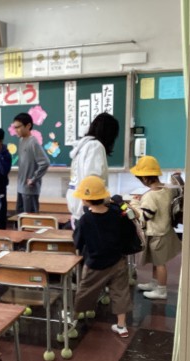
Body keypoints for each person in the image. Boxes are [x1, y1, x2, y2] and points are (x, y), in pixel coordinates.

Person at [72, 176, 134, 338]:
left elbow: (78, 243)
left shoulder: (85, 220)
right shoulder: (116, 214)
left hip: (95, 264)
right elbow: (127, 233)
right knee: (120, 292)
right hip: (117, 261)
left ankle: (74, 317)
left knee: (85, 290)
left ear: (86, 200)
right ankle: (122, 326)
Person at [129, 155, 181, 300]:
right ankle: (154, 283)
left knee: (160, 263)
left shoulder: (150, 196)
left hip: (157, 233)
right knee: (155, 260)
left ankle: (161, 290)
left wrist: (134, 205)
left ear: (145, 178)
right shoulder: (167, 189)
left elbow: (145, 216)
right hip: (164, 230)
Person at [66, 112, 120, 225]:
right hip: (89, 209)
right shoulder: (95, 146)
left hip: (78, 206)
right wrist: (105, 202)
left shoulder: (83, 146)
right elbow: (93, 181)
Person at [12, 112, 49, 213]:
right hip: (21, 187)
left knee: (30, 219)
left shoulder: (33, 142)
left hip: (29, 189)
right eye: (15, 127)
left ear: (28, 126)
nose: (16, 130)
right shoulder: (21, 140)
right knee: (20, 217)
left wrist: (34, 179)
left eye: (18, 127)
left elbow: (45, 162)